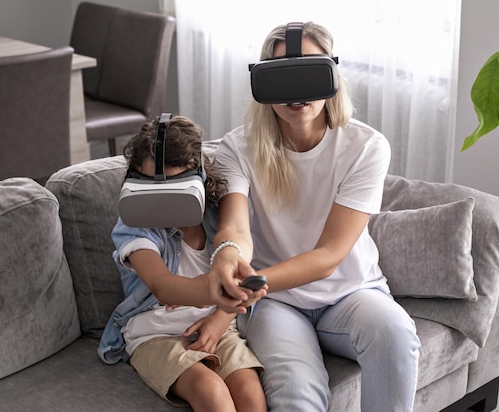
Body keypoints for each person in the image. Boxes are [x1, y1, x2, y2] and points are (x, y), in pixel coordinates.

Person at [208, 22, 421, 412]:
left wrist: (254, 280)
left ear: (331, 77)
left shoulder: (366, 147)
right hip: (277, 304)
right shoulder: (236, 149)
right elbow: (236, 225)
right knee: (296, 391)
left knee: (395, 332)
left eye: (308, 71)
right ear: (264, 83)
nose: (297, 92)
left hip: (352, 293)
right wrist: (226, 252)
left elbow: (328, 255)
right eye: (283, 76)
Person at [97, 115, 267, 412]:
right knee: (211, 391)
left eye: (176, 192)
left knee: (250, 395)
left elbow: (236, 276)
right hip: (154, 334)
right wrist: (213, 292)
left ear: (199, 177)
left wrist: (222, 316)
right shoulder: (136, 226)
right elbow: (162, 286)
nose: (163, 203)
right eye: (151, 191)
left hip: (218, 328)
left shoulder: (217, 217)